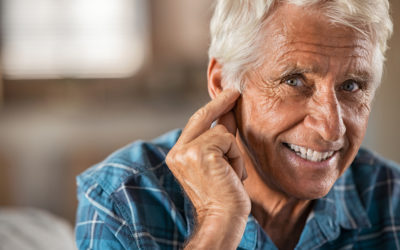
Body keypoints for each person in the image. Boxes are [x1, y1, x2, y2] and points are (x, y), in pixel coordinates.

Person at [75, 0, 400, 249]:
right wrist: (218, 223)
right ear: (222, 83)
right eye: (294, 80)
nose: (332, 128)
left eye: (352, 86)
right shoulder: (123, 200)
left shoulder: (391, 198)